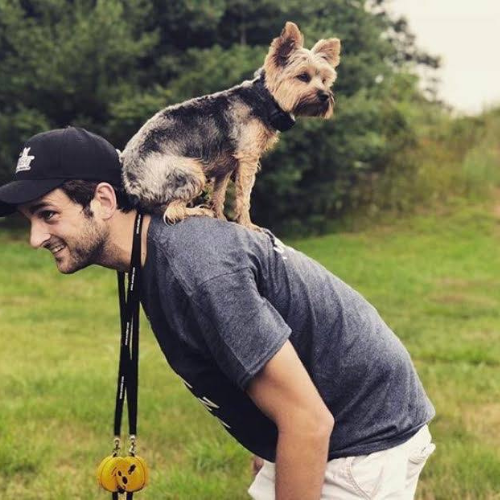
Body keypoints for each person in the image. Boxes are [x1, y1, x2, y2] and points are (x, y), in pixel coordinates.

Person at [0, 127, 436, 500]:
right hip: (318, 425)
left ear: (104, 199)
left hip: (361, 439)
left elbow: (307, 421)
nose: (36, 238)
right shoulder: (155, 249)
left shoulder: (197, 270)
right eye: (29, 220)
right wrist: (265, 448)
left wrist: (280, 441)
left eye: (48, 215)